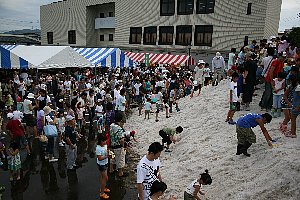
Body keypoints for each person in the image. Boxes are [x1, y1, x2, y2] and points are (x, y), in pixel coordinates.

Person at [96, 134, 110, 199]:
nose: (105, 142)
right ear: (100, 141)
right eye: (103, 141)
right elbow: (99, 158)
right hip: (101, 165)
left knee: (103, 177)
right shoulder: (98, 148)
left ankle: (103, 188)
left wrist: (108, 153)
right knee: (105, 178)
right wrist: (107, 156)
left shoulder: (105, 145)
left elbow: (106, 151)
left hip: (106, 163)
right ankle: (102, 193)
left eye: (105, 140)